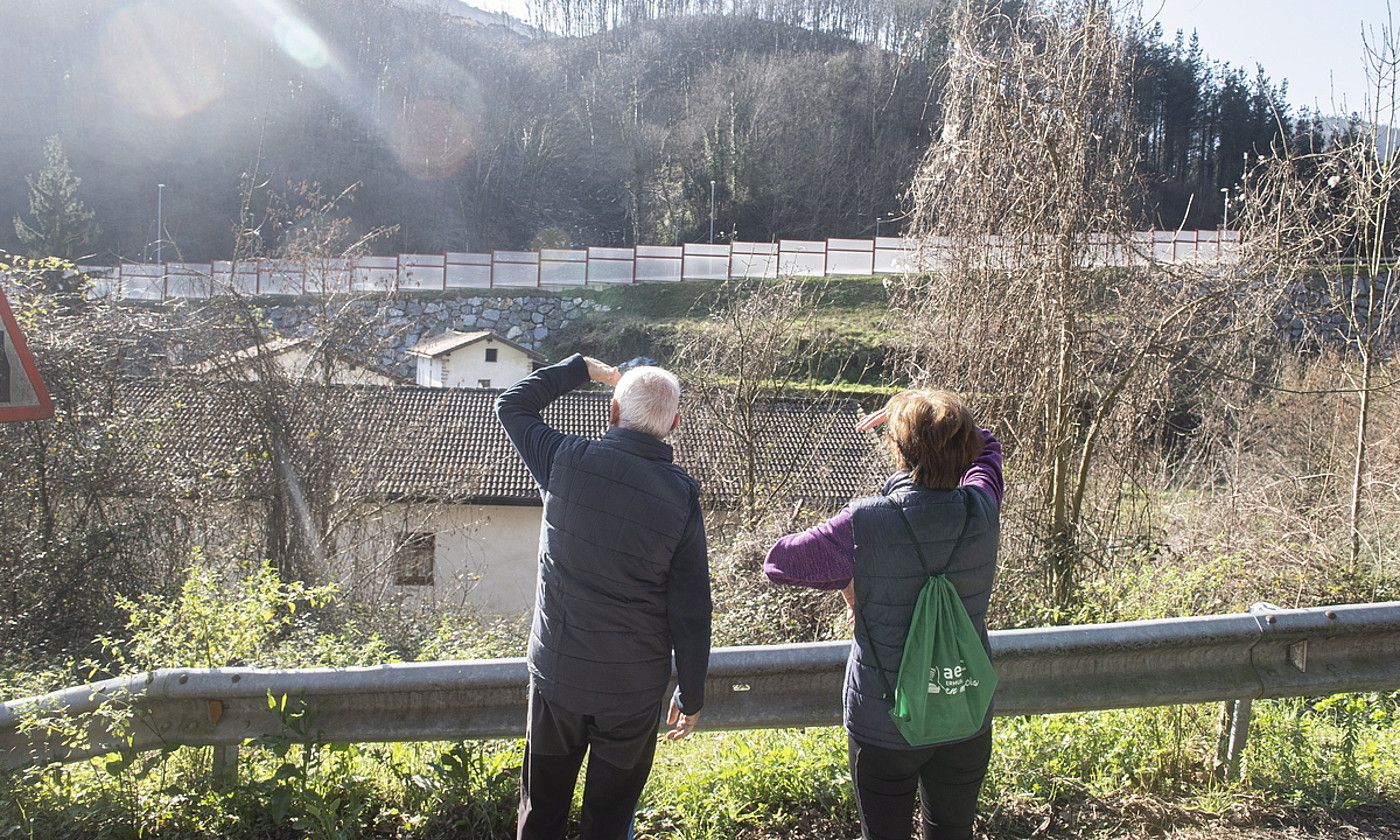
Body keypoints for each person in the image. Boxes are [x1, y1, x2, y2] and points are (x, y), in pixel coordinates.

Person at [762, 389, 1003, 840]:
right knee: (952, 832)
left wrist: (848, 575)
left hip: (883, 719)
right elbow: (989, 449)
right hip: (964, 710)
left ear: (897, 448)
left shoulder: (864, 523)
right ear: (963, 448)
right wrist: (944, 423)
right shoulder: (983, 508)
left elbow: (780, 562)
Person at [495, 353, 712, 840]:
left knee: (543, 810)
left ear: (611, 412)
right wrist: (692, 692)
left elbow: (513, 405)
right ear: (674, 425)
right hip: (632, 695)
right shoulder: (680, 496)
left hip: (559, 680)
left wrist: (585, 369)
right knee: (609, 821)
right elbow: (691, 606)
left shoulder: (564, 460)